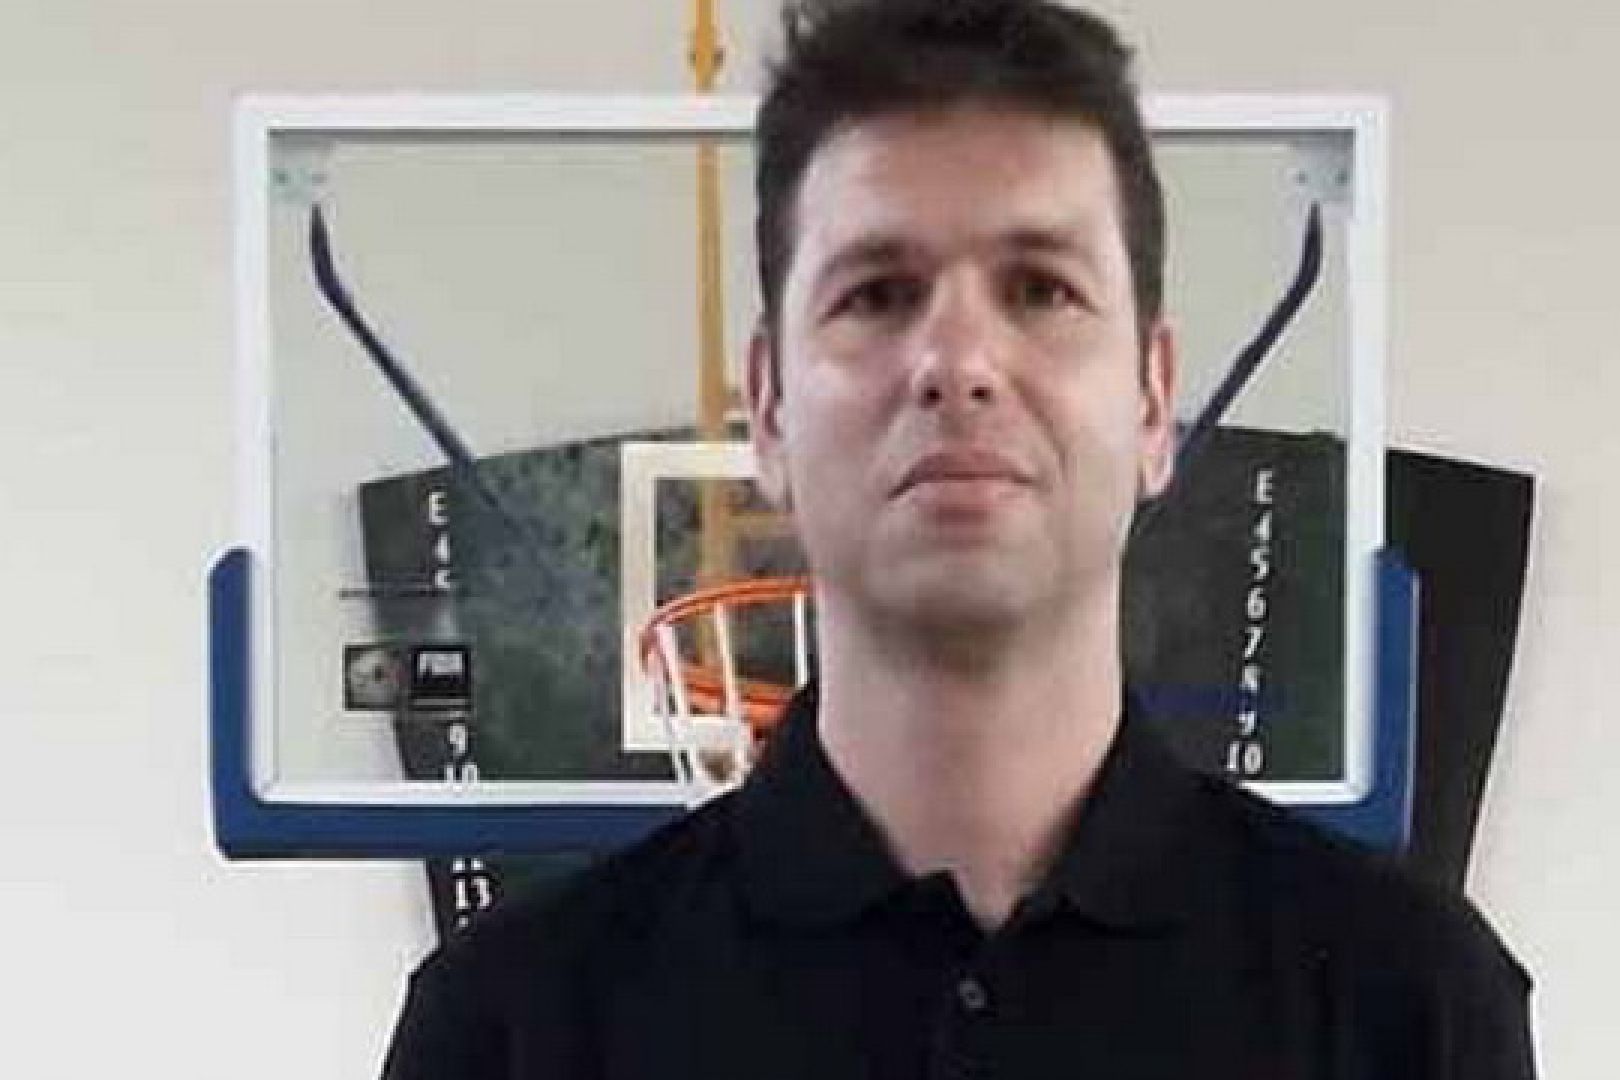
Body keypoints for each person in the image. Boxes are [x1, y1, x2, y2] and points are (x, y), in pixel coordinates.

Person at [381, 1, 1537, 1076]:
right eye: (879, 293)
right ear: (769, 409)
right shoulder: (513, 1022)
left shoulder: (1410, 1002)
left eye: (1039, 289)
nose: (959, 362)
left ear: (1152, 400)